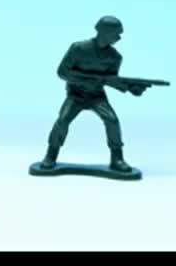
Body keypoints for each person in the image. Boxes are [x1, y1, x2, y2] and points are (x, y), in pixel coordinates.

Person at [40, 16, 146, 172]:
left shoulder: (115, 57)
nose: (119, 38)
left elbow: (111, 80)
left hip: (97, 96)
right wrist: (87, 79)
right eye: (116, 33)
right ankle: (51, 155)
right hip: (75, 95)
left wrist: (131, 88)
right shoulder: (78, 48)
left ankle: (117, 159)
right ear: (104, 31)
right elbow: (62, 72)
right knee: (62, 121)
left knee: (112, 121)